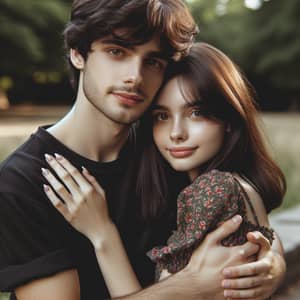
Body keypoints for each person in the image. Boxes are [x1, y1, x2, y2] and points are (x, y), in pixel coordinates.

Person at [0, 0, 285, 299]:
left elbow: (252, 232)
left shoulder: (169, 151)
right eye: (116, 52)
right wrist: (193, 284)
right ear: (77, 53)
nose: (134, 77)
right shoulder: (23, 183)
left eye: (152, 61)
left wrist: (272, 266)